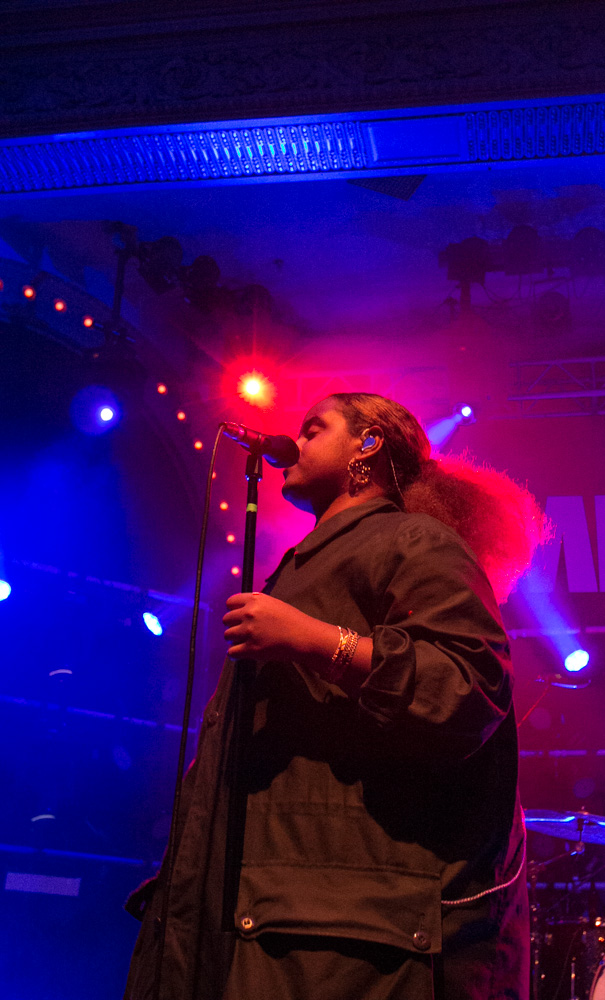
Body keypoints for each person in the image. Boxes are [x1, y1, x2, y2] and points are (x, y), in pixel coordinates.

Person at [123, 391, 547, 1000]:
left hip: (344, 945)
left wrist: (317, 641)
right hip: (276, 922)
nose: (292, 443)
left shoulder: (415, 542)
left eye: (313, 428)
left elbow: (465, 689)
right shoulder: (306, 563)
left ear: (367, 445)